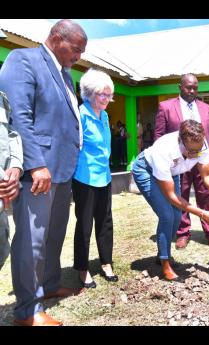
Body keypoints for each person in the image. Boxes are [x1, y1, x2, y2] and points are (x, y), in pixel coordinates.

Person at [0, 19, 87, 326]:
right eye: (75, 49)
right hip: (38, 171)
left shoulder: (65, 73)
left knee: (53, 236)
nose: (78, 57)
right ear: (56, 37)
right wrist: (37, 164)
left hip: (61, 170)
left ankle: (48, 286)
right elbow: (19, 115)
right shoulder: (23, 60)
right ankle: (27, 311)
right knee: (31, 241)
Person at [132, 119, 209, 281]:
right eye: (191, 151)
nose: (196, 155)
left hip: (171, 173)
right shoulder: (164, 150)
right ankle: (165, 264)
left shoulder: (200, 145)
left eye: (199, 150)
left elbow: (208, 175)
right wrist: (203, 214)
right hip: (146, 170)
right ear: (180, 140)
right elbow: (172, 197)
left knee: (177, 216)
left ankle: (162, 253)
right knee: (167, 215)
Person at [154, 73, 209, 251]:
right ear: (180, 87)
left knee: (206, 195)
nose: (192, 91)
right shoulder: (166, 107)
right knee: (181, 194)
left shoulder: (206, 108)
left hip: (201, 160)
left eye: (195, 87)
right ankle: (183, 233)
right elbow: (159, 136)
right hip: (178, 163)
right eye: (188, 87)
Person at [72, 69, 118, 289]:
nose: (108, 99)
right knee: (84, 224)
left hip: (105, 176)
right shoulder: (80, 115)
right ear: (90, 93)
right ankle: (82, 268)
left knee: (105, 221)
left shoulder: (105, 115)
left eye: (109, 95)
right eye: (103, 95)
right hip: (84, 177)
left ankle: (106, 262)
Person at [0, 90, 23, 271]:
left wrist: (15, 167)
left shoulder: (2, 97)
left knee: (1, 250)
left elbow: (10, 133)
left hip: (3, 194)